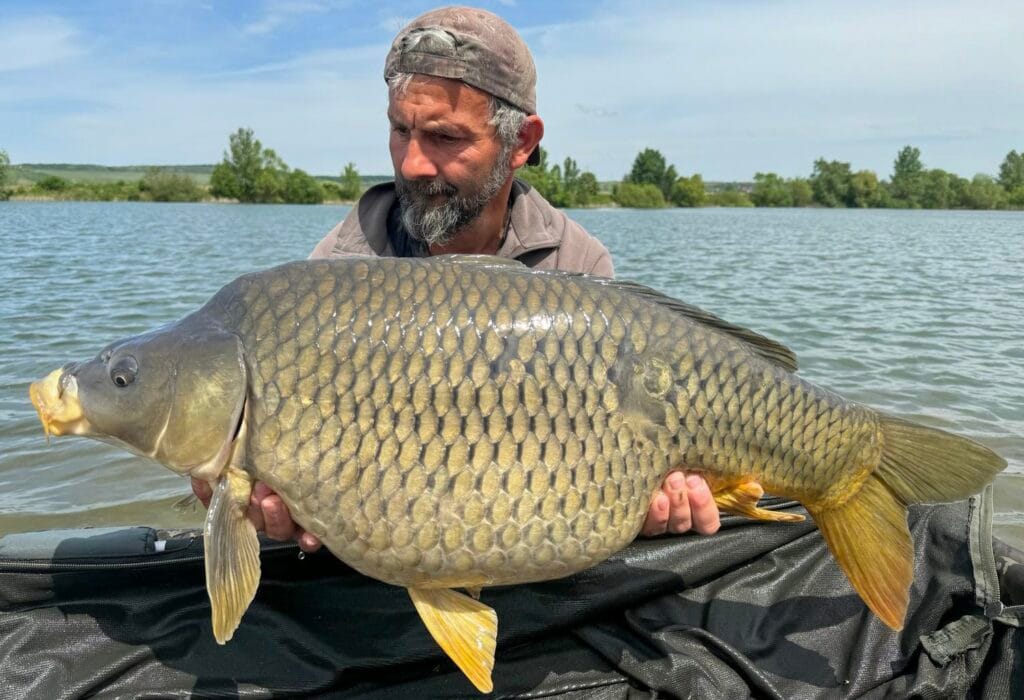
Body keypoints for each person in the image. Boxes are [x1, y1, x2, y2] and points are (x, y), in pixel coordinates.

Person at [192, 6, 720, 549]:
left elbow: (610, 455)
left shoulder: (577, 266)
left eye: (444, 137)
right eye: (401, 130)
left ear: (521, 142)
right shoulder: (336, 271)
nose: (413, 163)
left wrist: (643, 502)